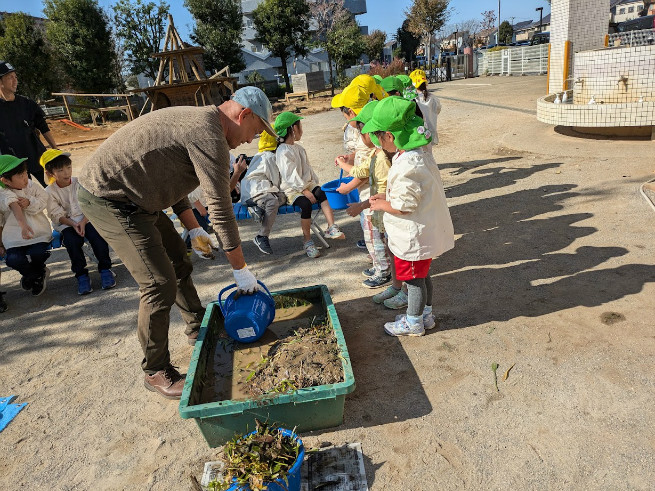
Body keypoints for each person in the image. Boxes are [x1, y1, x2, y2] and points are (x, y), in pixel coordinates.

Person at [77, 86, 274, 400]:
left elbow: (168, 178)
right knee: (157, 282)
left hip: (141, 196)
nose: (251, 138)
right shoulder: (209, 134)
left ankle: (196, 327)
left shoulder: (207, 128)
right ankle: (155, 370)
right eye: (256, 129)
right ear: (244, 114)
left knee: (180, 261)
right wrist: (241, 270)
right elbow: (221, 209)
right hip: (109, 198)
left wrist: (194, 229)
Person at [362, 96, 455, 337]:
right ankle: (426, 315)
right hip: (423, 231)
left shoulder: (407, 165)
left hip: (413, 233)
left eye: (379, 137)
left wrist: (383, 204)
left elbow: (405, 206)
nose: (379, 142)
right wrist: (386, 195)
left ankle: (413, 322)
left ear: (390, 136)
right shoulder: (417, 154)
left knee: (414, 281)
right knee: (423, 276)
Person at [333, 84, 391, 287]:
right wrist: (347, 161)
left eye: (361, 131)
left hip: (372, 201)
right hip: (370, 200)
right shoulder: (379, 151)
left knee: (375, 238)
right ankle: (379, 266)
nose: (359, 133)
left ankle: (383, 271)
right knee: (374, 238)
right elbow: (360, 166)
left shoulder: (379, 155)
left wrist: (346, 185)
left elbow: (363, 173)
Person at [41, 149, 116, 295]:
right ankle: (81, 275)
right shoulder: (49, 191)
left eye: (68, 167)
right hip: (66, 224)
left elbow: (91, 204)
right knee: (71, 242)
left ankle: (105, 269)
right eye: (60, 170)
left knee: (97, 237)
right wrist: (73, 224)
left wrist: (83, 221)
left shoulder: (80, 183)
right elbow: (56, 215)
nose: (66, 173)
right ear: (50, 173)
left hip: (87, 219)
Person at [275, 112, 345, 258]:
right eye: (300, 126)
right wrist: (304, 190)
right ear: (293, 128)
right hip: (292, 189)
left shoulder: (299, 148)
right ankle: (307, 241)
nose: (302, 129)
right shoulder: (282, 151)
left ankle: (331, 227)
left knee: (321, 192)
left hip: (306, 185)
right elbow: (290, 175)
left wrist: (311, 186)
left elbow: (307, 170)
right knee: (305, 204)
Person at [0, 154, 52, 296]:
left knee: (38, 253)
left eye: (25, 173)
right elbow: (5, 215)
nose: (25, 178)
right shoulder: (3, 193)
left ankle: (35, 273)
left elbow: (44, 200)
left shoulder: (31, 186)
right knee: (13, 259)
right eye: (20, 176)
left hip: (37, 232)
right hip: (13, 237)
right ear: (5, 180)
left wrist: (30, 202)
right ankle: (34, 275)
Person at [0, 61, 59, 187]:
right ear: (0, 82)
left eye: (15, 77)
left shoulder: (27, 104)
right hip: (14, 163)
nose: (15, 81)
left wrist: (55, 147)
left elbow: (42, 126)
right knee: (26, 198)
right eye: (10, 77)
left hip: (36, 156)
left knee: (55, 189)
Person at [240, 130, 286, 255]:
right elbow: (275, 180)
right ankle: (262, 236)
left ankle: (256, 207)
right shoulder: (269, 157)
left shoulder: (259, 154)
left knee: (277, 198)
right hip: (258, 189)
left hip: (250, 191)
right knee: (274, 201)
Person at [410, 69, 442, 146]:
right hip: (430, 131)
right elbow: (438, 110)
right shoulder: (432, 98)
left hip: (418, 132)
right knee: (428, 153)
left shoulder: (412, 99)